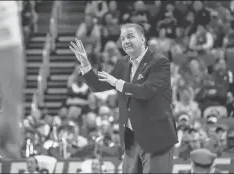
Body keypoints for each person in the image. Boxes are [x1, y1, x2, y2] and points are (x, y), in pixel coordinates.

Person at [69, 23, 178, 173]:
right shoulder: (122, 64)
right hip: (131, 139)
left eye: (130, 36)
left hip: (156, 138)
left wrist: (117, 83)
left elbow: (147, 91)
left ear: (142, 39)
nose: (125, 41)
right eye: (122, 38)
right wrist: (86, 64)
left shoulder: (159, 62)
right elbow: (98, 86)